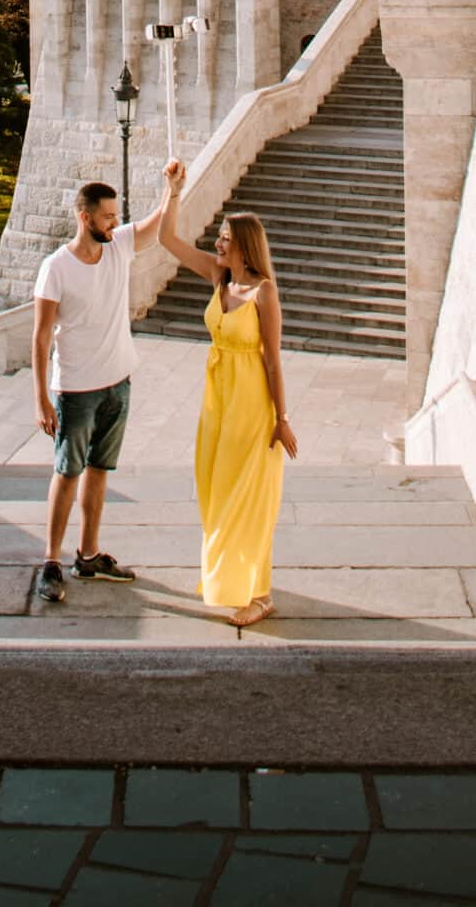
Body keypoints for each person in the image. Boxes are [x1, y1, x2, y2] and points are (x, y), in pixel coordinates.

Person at [159, 159, 298, 626]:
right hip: (217, 401)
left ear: (242, 245)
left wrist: (282, 419)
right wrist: (173, 191)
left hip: (251, 405)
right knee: (215, 494)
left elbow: (274, 359)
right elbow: (167, 241)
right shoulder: (219, 278)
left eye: (223, 237)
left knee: (248, 499)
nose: (216, 242)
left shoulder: (263, 292)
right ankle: (235, 581)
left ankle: (259, 595)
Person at [31, 177, 170, 604]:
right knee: (67, 473)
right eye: (107, 217)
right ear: (84, 216)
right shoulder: (56, 267)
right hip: (75, 390)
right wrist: (41, 399)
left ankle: (88, 555)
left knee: (99, 471)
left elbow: (159, 226)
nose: (115, 223)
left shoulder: (119, 246)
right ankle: (51, 562)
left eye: (116, 216)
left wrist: (172, 189)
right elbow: (40, 337)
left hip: (118, 383)